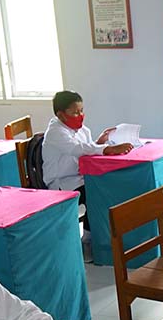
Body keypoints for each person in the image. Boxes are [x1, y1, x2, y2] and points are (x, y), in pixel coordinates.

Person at [42, 90, 133, 228]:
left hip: (81, 176)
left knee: (109, 185)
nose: (80, 115)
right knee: (97, 194)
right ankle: (90, 237)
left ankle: (99, 233)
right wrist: (109, 149)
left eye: (81, 110)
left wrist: (100, 142)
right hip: (63, 182)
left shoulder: (82, 129)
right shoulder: (55, 132)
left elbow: (87, 149)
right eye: (75, 113)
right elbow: (77, 149)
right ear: (61, 115)